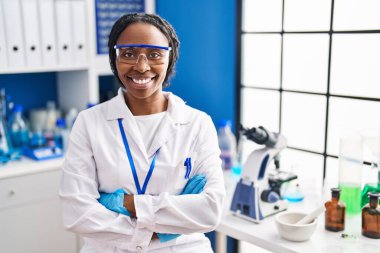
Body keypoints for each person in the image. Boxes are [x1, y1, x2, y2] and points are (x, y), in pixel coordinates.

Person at [59, 13, 225, 253]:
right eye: (128, 53)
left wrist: (129, 204)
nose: (141, 66)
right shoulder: (89, 122)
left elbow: (210, 212)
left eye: (154, 54)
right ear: (114, 59)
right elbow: (77, 214)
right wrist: (171, 225)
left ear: (170, 58)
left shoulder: (198, 123)